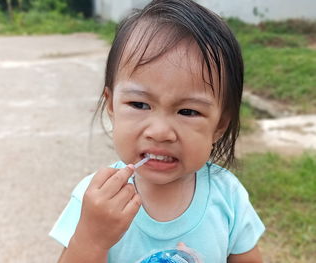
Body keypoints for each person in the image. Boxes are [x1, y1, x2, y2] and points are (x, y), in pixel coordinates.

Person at [49, 0, 265, 262]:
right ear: (112, 107)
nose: (160, 132)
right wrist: (91, 237)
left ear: (220, 125)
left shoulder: (228, 197)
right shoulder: (94, 198)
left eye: (188, 111)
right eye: (139, 104)